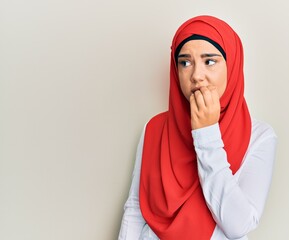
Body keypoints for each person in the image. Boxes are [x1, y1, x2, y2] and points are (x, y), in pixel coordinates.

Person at [118, 15, 277, 240]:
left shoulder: (259, 137)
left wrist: (206, 134)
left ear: (231, 65)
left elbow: (239, 225)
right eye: (185, 62)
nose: (196, 76)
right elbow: (135, 209)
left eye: (209, 61)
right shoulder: (155, 129)